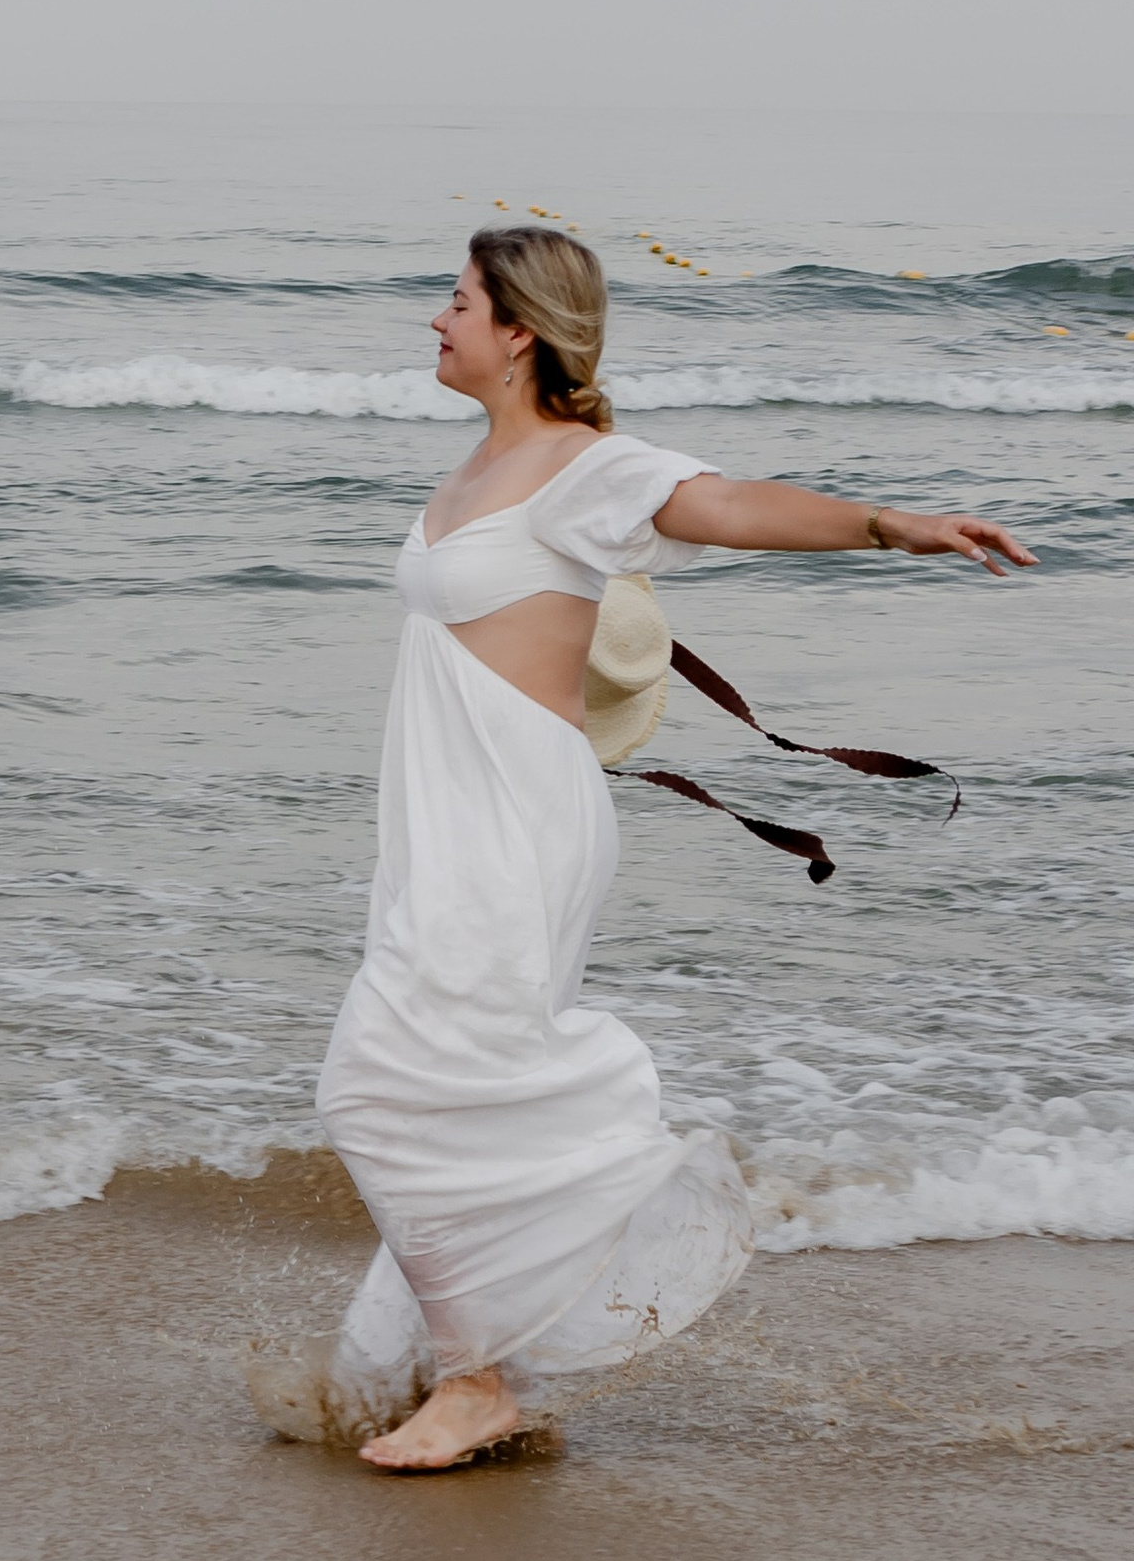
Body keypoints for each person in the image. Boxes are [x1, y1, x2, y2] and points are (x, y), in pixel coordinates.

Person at [315, 224, 1032, 1475]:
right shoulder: (480, 462)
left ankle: (477, 1377)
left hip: (512, 820)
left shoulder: (585, 467)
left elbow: (726, 505)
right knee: (434, 1084)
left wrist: (886, 524)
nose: (435, 319)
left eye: (457, 299)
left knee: (376, 1088)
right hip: (439, 819)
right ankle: (477, 1364)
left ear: (519, 329)